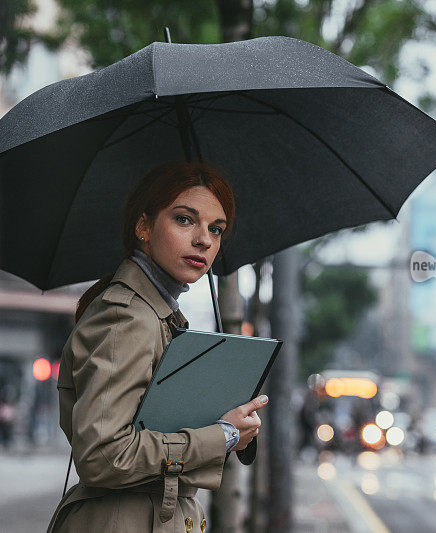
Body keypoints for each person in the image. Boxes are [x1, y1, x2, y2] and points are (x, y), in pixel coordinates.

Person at [47, 161, 267, 532]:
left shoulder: (160, 315)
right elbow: (102, 455)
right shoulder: (127, 317)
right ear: (143, 226)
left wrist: (231, 419)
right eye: (185, 219)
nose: (204, 240)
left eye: (216, 229)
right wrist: (222, 435)